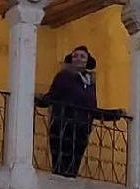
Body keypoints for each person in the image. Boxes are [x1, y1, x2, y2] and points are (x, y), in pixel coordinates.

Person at [35, 46, 127, 178]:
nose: (78, 59)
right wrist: (37, 100)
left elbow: (92, 109)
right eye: (75, 56)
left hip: (82, 129)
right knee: (61, 164)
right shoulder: (63, 76)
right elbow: (52, 97)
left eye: (82, 56)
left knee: (74, 165)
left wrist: (115, 114)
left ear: (87, 61)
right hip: (63, 127)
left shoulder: (90, 82)